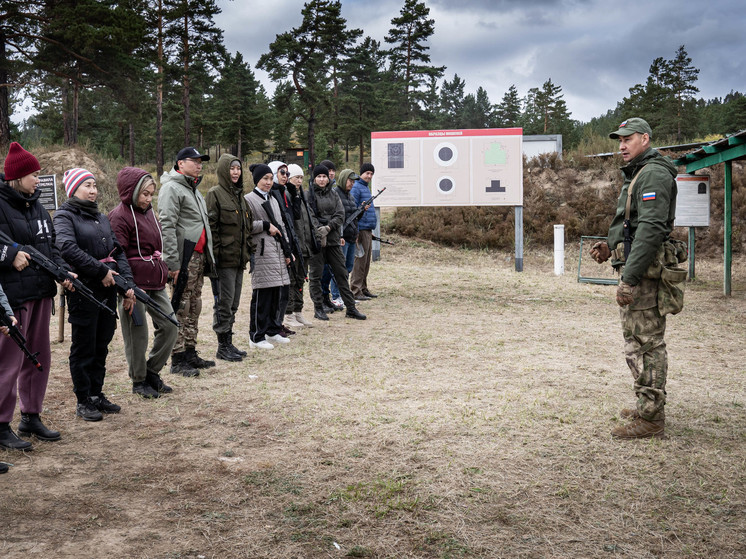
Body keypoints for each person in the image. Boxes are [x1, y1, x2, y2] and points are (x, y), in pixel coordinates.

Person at [589, 117, 680, 440]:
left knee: (645, 343)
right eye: (619, 141)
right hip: (639, 268)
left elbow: (652, 230)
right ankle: (647, 402)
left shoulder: (653, 173)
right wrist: (609, 245)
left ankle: (651, 417)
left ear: (645, 138)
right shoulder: (640, 171)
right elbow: (633, 224)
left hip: (645, 273)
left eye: (628, 139)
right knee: (638, 341)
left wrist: (629, 277)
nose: (621, 146)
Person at [0, 142, 73, 448]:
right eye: (32, 173)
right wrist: (9, 254)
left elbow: (51, 245)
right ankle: (1, 424)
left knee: (38, 357)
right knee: (8, 362)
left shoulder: (39, 206)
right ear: (16, 177)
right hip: (14, 296)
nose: (38, 178)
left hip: (42, 292)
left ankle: (31, 416)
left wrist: (63, 271)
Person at [55, 168, 136, 421]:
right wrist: (100, 270)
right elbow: (66, 248)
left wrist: (128, 284)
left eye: (94, 185)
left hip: (107, 290)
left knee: (101, 344)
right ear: (73, 189)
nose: (93, 190)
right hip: (83, 290)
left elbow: (117, 251)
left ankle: (96, 393)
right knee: (84, 346)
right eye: (87, 185)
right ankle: (83, 399)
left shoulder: (101, 217)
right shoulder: (64, 217)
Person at [109, 167, 183, 397]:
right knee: (137, 335)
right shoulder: (118, 217)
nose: (149, 199)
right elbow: (116, 255)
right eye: (145, 194)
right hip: (133, 286)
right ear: (130, 192)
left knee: (171, 326)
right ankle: (139, 381)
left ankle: (152, 371)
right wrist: (127, 288)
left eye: (152, 194)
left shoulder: (150, 212)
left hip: (155, 280)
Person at [159, 147, 217, 375]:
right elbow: (167, 226)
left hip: (198, 256)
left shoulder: (192, 188)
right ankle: (178, 356)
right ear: (180, 163)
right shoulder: (172, 188)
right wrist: (172, 263)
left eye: (200, 161)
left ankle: (190, 350)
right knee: (180, 305)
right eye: (194, 161)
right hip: (184, 257)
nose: (199, 165)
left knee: (194, 303)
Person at [206, 155, 254, 362]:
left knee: (233, 303)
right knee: (224, 303)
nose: (235, 172)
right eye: (232, 169)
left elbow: (247, 229)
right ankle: (222, 345)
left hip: (238, 259)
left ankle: (229, 342)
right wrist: (214, 259)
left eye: (238, 169)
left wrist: (248, 251)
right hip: (223, 260)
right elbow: (211, 228)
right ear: (224, 171)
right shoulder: (214, 194)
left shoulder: (240, 197)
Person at [306, 164, 366, 321]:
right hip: (317, 242)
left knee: (341, 273)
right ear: (314, 178)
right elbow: (309, 216)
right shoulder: (308, 195)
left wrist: (329, 226)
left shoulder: (334, 195)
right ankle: (318, 308)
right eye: (319, 176)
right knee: (316, 276)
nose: (322, 179)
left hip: (332, 240)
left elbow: (340, 214)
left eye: (324, 176)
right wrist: (320, 228)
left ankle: (351, 308)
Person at [244, 163, 293, 349]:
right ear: (257, 180)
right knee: (262, 295)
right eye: (265, 179)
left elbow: (281, 226)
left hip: (278, 251)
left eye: (271, 179)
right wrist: (264, 225)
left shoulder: (273, 198)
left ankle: (272, 330)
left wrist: (287, 251)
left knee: (276, 293)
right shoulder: (248, 199)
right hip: (262, 251)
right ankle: (256, 335)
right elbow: (246, 224)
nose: (268, 182)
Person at [267, 160, 302, 336]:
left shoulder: (284, 192)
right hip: (276, 246)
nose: (285, 177)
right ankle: (274, 324)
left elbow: (294, 217)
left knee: (285, 286)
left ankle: (278, 323)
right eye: (282, 173)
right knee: (278, 289)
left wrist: (295, 193)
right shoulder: (271, 194)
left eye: (287, 174)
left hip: (288, 242)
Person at [324, 169, 361, 309]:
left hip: (351, 237)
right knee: (339, 268)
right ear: (344, 179)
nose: (351, 184)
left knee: (349, 266)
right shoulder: (335, 194)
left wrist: (356, 232)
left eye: (353, 181)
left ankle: (345, 295)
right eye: (350, 180)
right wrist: (339, 235)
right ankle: (336, 296)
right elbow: (337, 217)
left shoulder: (350, 197)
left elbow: (354, 218)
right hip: (341, 238)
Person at [285, 164, 315, 328]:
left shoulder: (302, 197)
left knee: (300, 281)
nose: (299, 180)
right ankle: (288, 315)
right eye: (296, 177)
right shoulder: (287, 197)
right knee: (291, 281)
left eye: (301, 178)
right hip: (294, 248)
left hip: (305, 247)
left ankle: (298, 312)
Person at [350, 162, 378, 300]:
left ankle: (363, 288)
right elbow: (353, 211)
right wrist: (356, 231)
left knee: (366, 262)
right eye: (367, 173)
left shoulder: (365, 188)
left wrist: (369, 231)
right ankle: (355, 290)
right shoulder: (356, 188)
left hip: (366, 230)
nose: (369, 176)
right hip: (359, 230)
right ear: (361, 173)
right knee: (359, 261)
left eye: (371, 174)